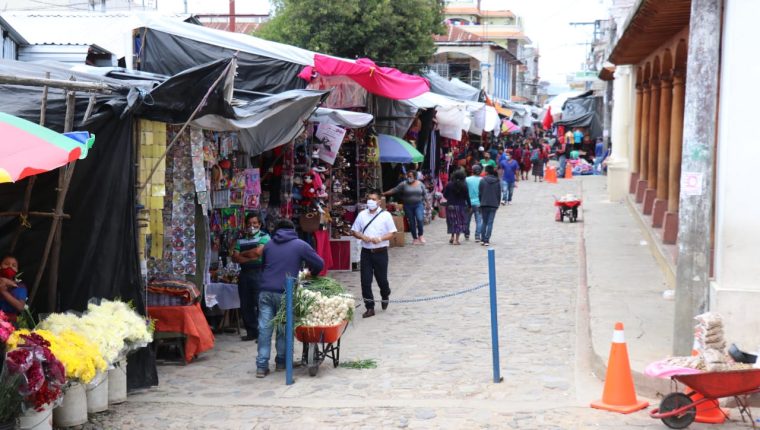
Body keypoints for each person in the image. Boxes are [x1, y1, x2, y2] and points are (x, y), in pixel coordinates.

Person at [245, 219, 324, 378]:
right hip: (284, 291)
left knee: (264, 329)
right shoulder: (300, 244)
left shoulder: (268, 245)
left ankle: (261, 366)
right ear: (292, 230)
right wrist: (311, 273)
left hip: (265, 290)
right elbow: (319, 263)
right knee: (283, 329)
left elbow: (265, 266)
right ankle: (281, 362)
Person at [351, 191, 397, 318]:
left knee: (382, 279)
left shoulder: (385, 215)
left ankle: (385, 293)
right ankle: (369, 307)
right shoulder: (362, 215)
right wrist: (362, 236)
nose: (370, 201)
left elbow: (393, 233)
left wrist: (381, 238)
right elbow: (354, 231)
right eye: (369, 198)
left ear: (379, 201)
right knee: (365, 281)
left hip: (380, 252)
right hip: (366, 252)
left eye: (373, 199)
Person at [231, 213, 270, 342]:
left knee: (260, 303)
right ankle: (251, 332)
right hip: (244, 274)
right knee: (245, 304)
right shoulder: (240, 239)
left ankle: (263, 333)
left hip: (259, 273)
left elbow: (258, 253)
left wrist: (243, 256)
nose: (252, 226)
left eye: (254, 223)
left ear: (259, 224)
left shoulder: (265, 237)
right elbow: (234, 258)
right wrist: (251, 256)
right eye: (249, 224)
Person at [383, 170, 426, 245]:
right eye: (408, 176)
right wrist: (384, 193)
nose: (409, 177)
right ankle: (415, 238)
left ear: (415, 177)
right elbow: (394, 190)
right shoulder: (404, 184)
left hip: (418, 204)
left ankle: (420, 235)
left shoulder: (420, 184)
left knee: (420, 219)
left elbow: (424, 194)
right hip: (408, 205)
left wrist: (427, 203)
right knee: (411, 222)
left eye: (411, 176)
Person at [443, 169, 470, 245]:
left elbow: (445, 195)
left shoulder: (449, 184)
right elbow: (467, 197)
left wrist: (450, 197)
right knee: (459, 222)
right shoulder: (464, 185)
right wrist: (469, 206)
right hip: (460, 206)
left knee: (452, 221)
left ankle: (452, 237)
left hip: (450, 205)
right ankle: (456, 240)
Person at [478, 165, 502, 246]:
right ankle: (487, 240)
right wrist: (497, 203)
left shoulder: (482, 181)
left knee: (484, 222)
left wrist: (481, 202)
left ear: (486, 172)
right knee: (490, 223)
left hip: (484, 203)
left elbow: (480, 193)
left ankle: (482, 239)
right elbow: (499, 194)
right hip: (493, 204)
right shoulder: (497, 181)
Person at [0, 255, 27, 320]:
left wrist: (3, 291)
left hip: (10, 323)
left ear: (17, 270)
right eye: (6, 264)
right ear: (0, 266)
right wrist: (5, 281)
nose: (10, 267)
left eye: (13, 265)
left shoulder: (20, 287)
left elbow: (20, 307)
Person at [464, 164, 483, 242]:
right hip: (478, 203)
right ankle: (477, 236)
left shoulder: (467, 179)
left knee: (467, 220)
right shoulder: (482, 180)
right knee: (478, 220)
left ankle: (467, 234)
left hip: (468, 203)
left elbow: (464, 191)